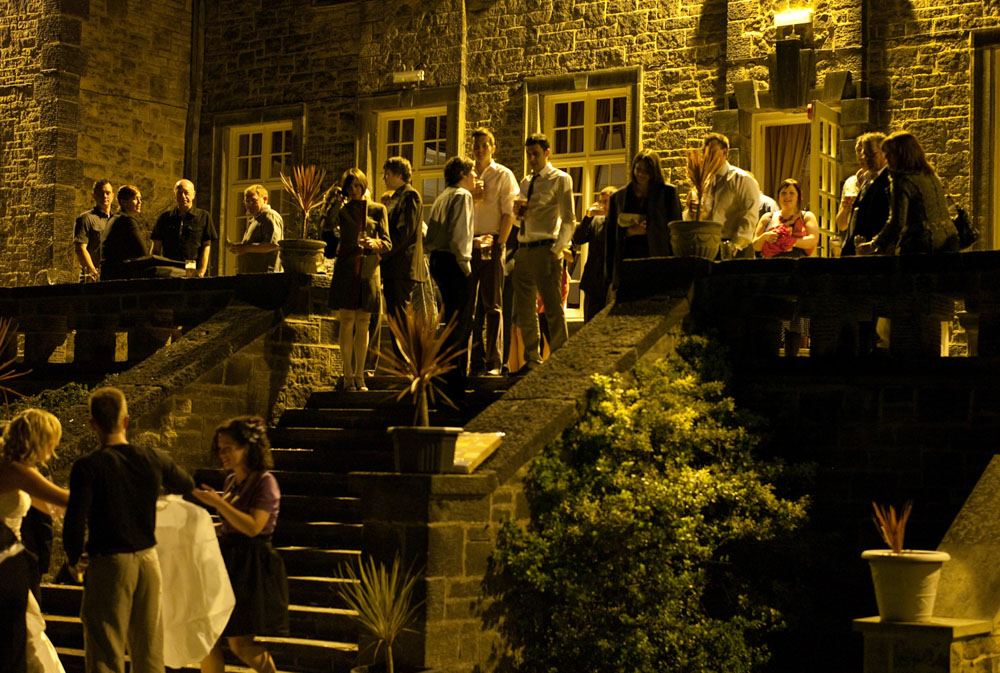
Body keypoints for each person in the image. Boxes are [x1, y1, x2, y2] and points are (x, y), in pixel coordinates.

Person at [64, 387, 195, 673]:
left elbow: (75, 519)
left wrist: (74, 558)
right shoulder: (151, 458)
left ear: (93, 425)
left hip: (110, 560)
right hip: (148, 559)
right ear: (126, 421)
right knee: (148, 647)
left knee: (105, 648)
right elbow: (185, 484)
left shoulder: (88, 467)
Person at [193, 417, 288, 673]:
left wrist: (219, 504)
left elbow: (253, 527)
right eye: (220, 448)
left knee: (240, 645)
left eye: (228, 448)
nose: (222, 454)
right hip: (229, 561)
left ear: (247, 448)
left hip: (250, 566)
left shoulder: (265, 482)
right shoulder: (231, 482)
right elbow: (228, 526)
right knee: (207, 638)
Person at [0, 409, 69, 673]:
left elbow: (48, 505)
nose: (53, 450)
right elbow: (62, 499)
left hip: (10, 558)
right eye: (52, 443)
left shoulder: (12, 467)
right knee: (21, 636)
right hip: (5, 560)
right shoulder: (15, 469)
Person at [511, 133, 576, 373]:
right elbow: (520, 221)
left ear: (547, 153)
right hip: (524, 248)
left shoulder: (560, 179)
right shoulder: (525, 182)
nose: (531, 158)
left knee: (552, 307)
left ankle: (559, 360)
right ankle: (532, 359)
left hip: (546, 248)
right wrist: (517, 214)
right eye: (528, 154)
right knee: (525, 309)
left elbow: (570, 219)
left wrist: (557, 249)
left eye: (535, 153)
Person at [323, 168, 391, 392]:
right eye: (350, 186)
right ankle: (347, 375)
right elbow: (328, 225)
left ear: (363, 185)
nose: (354, 190)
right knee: (347, 321)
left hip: (369, 269)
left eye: (357, 185)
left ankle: (360, 375)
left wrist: (376, 244)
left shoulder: (378, 209)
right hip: (347, 268)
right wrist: (336, 201)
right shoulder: (343, 211)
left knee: (364, 323)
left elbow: (388, 243)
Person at [424, 156, 476, 399]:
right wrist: (466, 265)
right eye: (472, 173)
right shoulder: (462, 196)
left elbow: (433, 233)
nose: (476, 177)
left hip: (437, 259)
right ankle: (453, 378)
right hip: (453, 262)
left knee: (450, 319)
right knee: (460, 321)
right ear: (463, 174)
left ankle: (444, 373)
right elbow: (459, 234)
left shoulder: (442, 197)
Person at [469, 128, 519, 375]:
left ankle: (494, 363)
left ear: (492, 147)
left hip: (492, 243)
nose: (479, 150)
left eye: (483, 145)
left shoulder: (503, 175)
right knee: (470, 308)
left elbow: (510, 212)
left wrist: (500, 243)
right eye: (476, 145)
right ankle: (474, 362)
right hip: (468, 245)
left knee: (493, 306)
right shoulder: (466, 175)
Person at [860, 131, 959, 256]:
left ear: (900, 154)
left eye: (889, 154)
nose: (887, 158)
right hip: (947, 241)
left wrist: (875, 244)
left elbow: (897, 222)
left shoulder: (902, 180)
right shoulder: (931, 175)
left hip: (920, 245)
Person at [604, 149, 682, 292]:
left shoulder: (668, 194)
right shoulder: (619, 197)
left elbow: (675, 232)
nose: (641, 174)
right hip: (627, 263)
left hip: (657, 262)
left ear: (654, 171)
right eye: (638, 169)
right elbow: (611, 236)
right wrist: (629, 232)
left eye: (646, 170)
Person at [683, 132, 760, 257]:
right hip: (709, 247)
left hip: (736, 249)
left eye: (712, 152)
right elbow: (691, 217)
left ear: (724, 152)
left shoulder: (741, 179)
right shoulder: (703, 183)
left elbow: (750, 214)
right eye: (705, 152)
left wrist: (734, 245)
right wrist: (692, 212)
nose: (707, 156)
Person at [379, 157, 427, 338]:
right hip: (396, 267)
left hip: (402, 267)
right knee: (396, 319)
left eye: (388, 174)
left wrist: (382, 253)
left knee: (400, 320)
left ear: (399, 174)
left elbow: (403, 234)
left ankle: (406, 363)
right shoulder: (399, 196)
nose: (385, 178)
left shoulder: (410, 196)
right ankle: (403, 362)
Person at [836, 132, 889, 256]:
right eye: (862, 152)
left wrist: (873, 245)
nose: (864, 157)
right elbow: (844, 225)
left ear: (885, 153)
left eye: (870, 153)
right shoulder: (864, 180)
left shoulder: (890, 179)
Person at [151, 179, 218, 277]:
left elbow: (206, 246)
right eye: (179, 193)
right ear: (174, 195)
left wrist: (201, 271)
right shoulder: (164, 218)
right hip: (168, 272)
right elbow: (156, 247)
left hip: (191, 271)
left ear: (193, 194)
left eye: (186, 193)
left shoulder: (203, 216)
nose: (183, 197)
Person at [572, 185, 616, 322]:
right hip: (593, 282)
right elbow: (578, 239)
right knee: (589, 322)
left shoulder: (620, 223)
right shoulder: (596, 221)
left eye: (606, 201)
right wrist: (587, 217)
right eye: (600, 201)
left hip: (611, 281)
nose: (602, 205)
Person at [752, 179, 819, 258]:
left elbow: (813, 241)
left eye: (791, 193)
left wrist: (791, 241)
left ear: (798, 196)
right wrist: (765, 237)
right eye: (783, 193)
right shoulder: (767, 217)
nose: (787, 196)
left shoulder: (807, 217)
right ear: (779, 196)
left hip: (797, 266)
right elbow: (755, 246)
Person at [99, 185, 149, 281]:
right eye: (135, 199)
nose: (140, 202)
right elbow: (142, 252)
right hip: (121, 277)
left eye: (140, 199)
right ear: (123, 202)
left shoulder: (113, 219)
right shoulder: (127, 220)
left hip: (107, 275)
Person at [230, 185, 283, 273]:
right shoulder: (256, 219)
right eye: (247, 201)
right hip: (254, 277)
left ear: (265, 199)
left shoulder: (270, 216)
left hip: (265, 278)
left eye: (254, 201)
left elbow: (273, 245)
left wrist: (245, 248)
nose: (249, 205)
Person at [75, 180, 115, 282]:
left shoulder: (116, 220)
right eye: (101, 193)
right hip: (91, 279)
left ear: (113, 196)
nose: (105, 196)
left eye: (108, 193)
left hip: (111, 277)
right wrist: (93, 273)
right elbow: (80, 248)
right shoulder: (86, 219)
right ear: (94, 196)